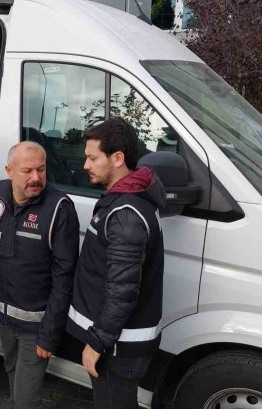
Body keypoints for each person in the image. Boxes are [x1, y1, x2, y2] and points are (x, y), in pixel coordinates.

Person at [66, 118, 166, 409]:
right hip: (118, 343)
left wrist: (97, 342)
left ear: (118, 158)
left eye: (92, 158)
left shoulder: (125, 215)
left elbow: (122, 291)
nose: (85, 165)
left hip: (117, 349)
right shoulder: (127, 200)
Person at [0, 141, 80, 408]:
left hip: (35, 328)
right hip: (3, 318)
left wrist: (49, 334)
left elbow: (65, 278)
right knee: (13, 376)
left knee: (26, 398)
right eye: (27, 171)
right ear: (9, 171)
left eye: (41, 169)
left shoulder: (59, 209)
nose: (36, 177)